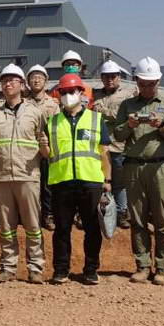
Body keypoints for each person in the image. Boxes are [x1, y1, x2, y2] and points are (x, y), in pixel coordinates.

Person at [0, 64, 50, 284]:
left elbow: (44, 143)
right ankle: (8, 267)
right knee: (6, 227)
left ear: (22, 85)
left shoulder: (35, 112)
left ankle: (35, 268)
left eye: (12, 80)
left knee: (33, 225)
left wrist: (45, 148)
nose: (8, 84)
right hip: (1, 177)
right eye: (4, 81)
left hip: (28, 175)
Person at [113, 57, 164, 285]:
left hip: (161, 166)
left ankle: (162, 268)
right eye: (143, 84)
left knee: (162, 219)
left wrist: (161, 126)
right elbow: (118, 135)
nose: (147, 88)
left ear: (158, 81)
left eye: (151, 84)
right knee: (138, 219)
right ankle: (142, 265)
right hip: (133, 167)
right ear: (137, 82)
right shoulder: (127, 105)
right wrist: (129, 125)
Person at [46, 74, 112, 285]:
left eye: (71, 91)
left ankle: (91, 270)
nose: (67, 95)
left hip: (90, 181)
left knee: (92, 228)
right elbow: (47, 153)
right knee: (62, 229)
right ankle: (61, 270)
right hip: (61, 181)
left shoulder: (96, 119)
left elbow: (104, 152)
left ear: (81, 93)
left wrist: (107, 180)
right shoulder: (52, 122)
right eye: (63, 92)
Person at [93, 61, 132, 231]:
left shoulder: (128, 95)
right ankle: (103, 212)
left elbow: (123, 116)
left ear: (119, 77)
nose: (109, 79)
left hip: (118, 145)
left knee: (119, 183)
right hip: (99, 146)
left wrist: (102, 112)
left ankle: (121, 213)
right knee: (100, 181)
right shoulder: (96, 94)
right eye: (106, 76)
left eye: (113, 76)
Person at [26, 64, 61, 231]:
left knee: (47, 184)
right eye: (33, 77)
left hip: (47, 148)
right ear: (28, 82)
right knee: (30, 183)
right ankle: (30, 215)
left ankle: (48, 214)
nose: (36, 80)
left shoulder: (53, 104)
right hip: (28, 148)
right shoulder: (24, 102)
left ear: (46, 81)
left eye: (40, 77)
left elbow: (58, 127)